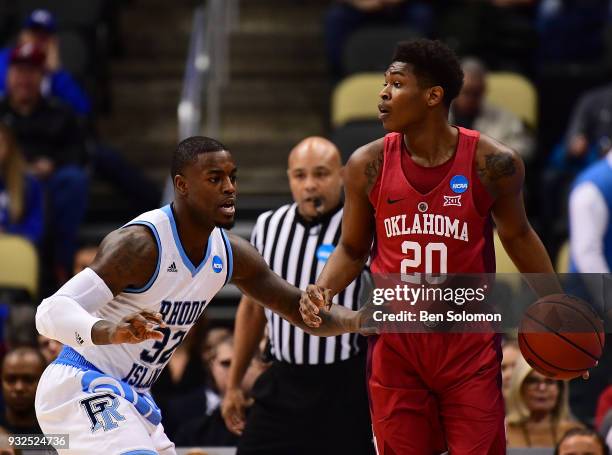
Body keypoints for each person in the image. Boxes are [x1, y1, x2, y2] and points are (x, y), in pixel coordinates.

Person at [300, 39, 566, 454]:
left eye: (396, 84)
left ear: (433, 95)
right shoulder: (365, 165)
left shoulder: (493, 163)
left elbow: (517, 235)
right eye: (384, 84)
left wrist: (558, 308)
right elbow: (352, 250)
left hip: (467, 345)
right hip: (396, 345)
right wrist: (323, 288)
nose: (383, 94)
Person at [34, 136, 363, 454]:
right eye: (215, 179)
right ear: (182, 185)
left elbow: (301, 312)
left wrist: (360, 320)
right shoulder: (140, 245)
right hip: (81, 383)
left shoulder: (232, 254)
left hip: (135, 393)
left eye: (232, 178)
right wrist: (111, 330)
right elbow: (49, 312)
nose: (230, 188)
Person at [222, 137, 374, 455]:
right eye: (300, 175)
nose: (309, 185)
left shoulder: (361, 225)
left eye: (320, 174)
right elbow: (252, 308)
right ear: (289, 177)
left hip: (345, 383)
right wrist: (234, 384)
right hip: (284, 380)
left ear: (343, 175)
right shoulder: (268, 225)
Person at [0, 42, 88, 282]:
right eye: (18, 72)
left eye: (31, 72)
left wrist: (52, 164)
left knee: (73, 180)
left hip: (47, 180)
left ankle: (61, 263)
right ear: (8, 75)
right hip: (7, 179)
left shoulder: (60, 112)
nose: (23, 79)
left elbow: (79, 153)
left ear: (42, 77)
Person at [0, 9, 91, 116]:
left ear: (53, 43)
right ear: (22, 35)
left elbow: (83, 109)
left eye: (44, 36)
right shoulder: (5, 59)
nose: (37, 40)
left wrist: (57, 73)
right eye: (34, 33)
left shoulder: (56, 73)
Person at [449, 58, 535, 161]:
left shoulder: (505, 118)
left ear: (484, 90)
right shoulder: (437, 114)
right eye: (467, 92)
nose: (471, 98)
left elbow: (525, 147)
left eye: (476, 93)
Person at [506, 356, 583, 448]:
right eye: (533, 381)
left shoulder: (577, 434)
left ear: (560, 390)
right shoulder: (501, 433)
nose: (542, 388)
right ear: (519, 387)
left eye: (550, 381)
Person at [0, 122, 43, 243]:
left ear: (9, 149)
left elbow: (34, 229)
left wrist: (8, 233)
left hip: (12, 249)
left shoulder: (28, 183)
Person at [0, 347, 47, 435]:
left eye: (29, 379)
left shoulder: (61, 427)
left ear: (45, 381)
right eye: (11, 380)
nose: (19, 388)